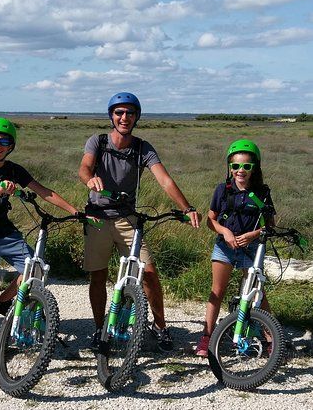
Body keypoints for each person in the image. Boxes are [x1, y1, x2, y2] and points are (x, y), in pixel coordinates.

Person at [78, 92, 200, 351]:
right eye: (119, 112)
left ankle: (160, 326)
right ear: (111, 116)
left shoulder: (142, 148)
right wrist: (89, 179)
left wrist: (187, 207)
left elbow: (164, 180)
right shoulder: (97, 141)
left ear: (136, 117)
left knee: (150, 273)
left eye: (129, 113)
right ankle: (100, 330)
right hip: (97, 218)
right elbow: (84, 168)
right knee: (98, 277)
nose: (124, 117)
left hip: (126, 218)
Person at [0, 117, 80, 361]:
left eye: (4, 141)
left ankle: (4, 301)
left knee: (34, 268)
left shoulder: (14, 169)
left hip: (4, 232)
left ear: (11, 145)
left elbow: (44, 191)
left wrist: (74, 211)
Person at [195, 139, 274, 357]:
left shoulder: (262, 193)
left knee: (258, 295)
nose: (241, 170)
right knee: (216, 292)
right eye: (236, 166)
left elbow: (270, 225)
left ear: (254, 168)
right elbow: (211, 220)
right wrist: (225, 232)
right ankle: (207, 337)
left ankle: (271, 339)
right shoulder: (222, 190)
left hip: (251, 250)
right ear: (230, 167)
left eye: (246, 166)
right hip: (225, 248)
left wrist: (253, 235)